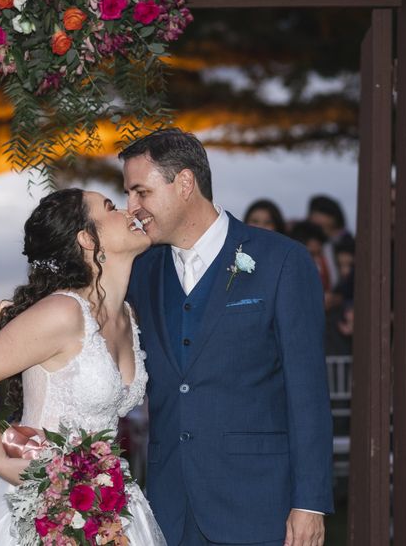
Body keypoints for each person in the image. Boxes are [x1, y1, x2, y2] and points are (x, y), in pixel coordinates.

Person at [123, 128, 333, 546]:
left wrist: (309, 503)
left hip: (257, 502)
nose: (132, 208)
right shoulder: (141, 271)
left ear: (184, 183)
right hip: (168, 505)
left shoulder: (282, 261)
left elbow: (307, 392)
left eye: (141, 192)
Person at [0, 188, 166, 545]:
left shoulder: (127, 315)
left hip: (110, 501)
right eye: (110, 207)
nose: (128, 211)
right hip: (43, 497)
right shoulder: (63, 312)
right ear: (86, 238)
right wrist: (1, 461)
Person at [307, 195, 355, 290]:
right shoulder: (313, 242)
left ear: (334, 217)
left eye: (321, 213)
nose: (316, 218)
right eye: (313, 214)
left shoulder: (348, 243)